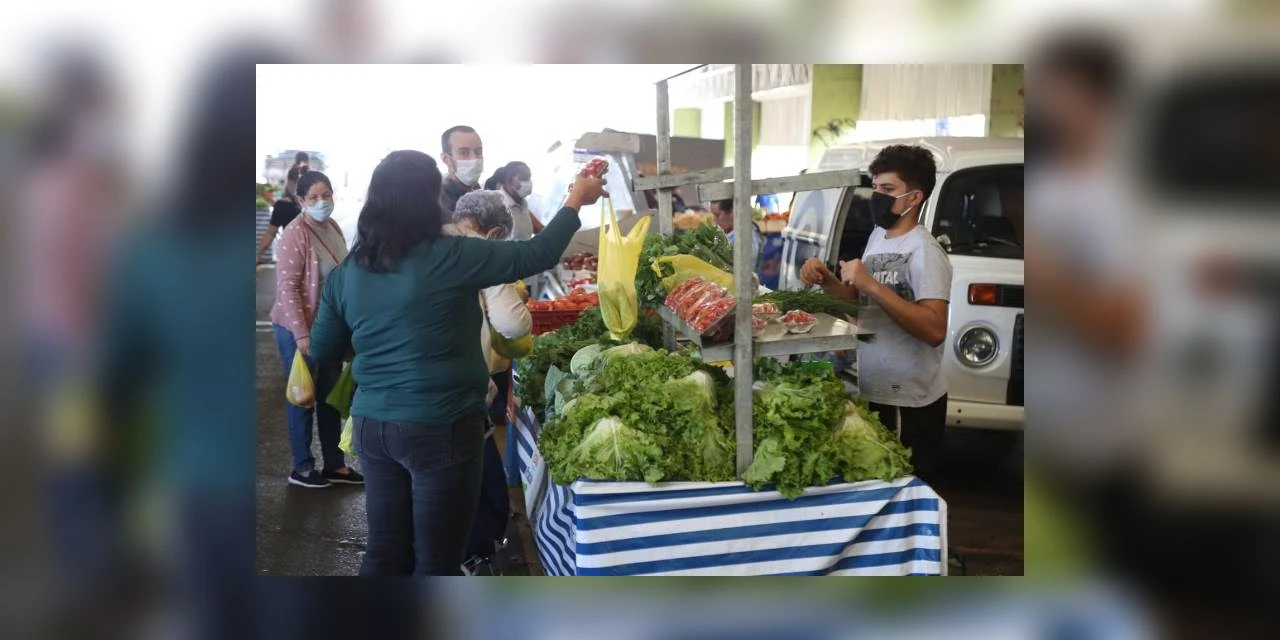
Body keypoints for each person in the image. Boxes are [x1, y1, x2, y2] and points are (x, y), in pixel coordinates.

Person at [309, 150, 606, 576]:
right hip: (442, 428)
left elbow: (322, 351)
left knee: (384, 551)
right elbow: (537, 254)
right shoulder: (453, 255)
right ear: (431, 200)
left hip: (374, 427)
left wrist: (379, 339)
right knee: (437, 559)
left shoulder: (349, 270)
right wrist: (576, 197)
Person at [799, 144, 952, 479]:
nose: (878, 197)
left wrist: (870, 284)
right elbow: (859, 307)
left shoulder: (925, 251)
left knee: (900, 489)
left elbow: (934, 329)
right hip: (876, 387)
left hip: (910, 402)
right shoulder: (878, 237)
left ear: (914, 198)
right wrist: (827, 281)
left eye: (888, 189)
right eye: (876, 188)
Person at [447, 190, 535, 568]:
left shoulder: (426, 246)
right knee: (475, 486)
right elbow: (514, 324)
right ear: (497, 233)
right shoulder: (483, 256)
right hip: (460, 392)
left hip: (394, 399)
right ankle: (473, 555)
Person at [269, 169, 363, 488]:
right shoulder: (296, 234)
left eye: (327, 195)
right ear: (301, 200)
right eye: (314, 197)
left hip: (329, 328)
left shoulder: (332, 226)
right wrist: (302, 335)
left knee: (329, 396)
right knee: (303, 396)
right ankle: (302, 467)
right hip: (300, 329)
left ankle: (334, 465)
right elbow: (288, 289)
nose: (322, 202)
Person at [256, 165, 306, 264]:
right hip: (298, 257)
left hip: (292, 257)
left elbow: (271, 233)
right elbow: (271, 233)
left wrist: (257, 255)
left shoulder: (283, 205)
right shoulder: (284, 205)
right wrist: (257, 255)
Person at [484, 161, 545, 240]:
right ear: (510, 180)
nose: (529, 183)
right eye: (524, 178)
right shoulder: (496, 207)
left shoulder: (522, 204)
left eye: (529, 178)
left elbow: (539, 229)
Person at [439, 125, 483, 214]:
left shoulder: (479, 192)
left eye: (478, 152)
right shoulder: (440, 201)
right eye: (463, 153)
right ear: (446, 159)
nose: (474, 159)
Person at [710, 198, 761, 263]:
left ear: (731, 211)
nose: (714, 219)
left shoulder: (747, 236)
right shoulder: (728, 230)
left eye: (717, 215)